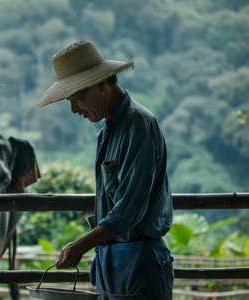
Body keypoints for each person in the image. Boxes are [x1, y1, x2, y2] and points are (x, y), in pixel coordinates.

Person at [38, 40, 174, 299]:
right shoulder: (108, 128)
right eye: (70, 99)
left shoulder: (139, 125)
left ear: (102, 83)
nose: (74, 109)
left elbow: (129, 209)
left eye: (77, 97)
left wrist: (81, 245)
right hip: (111, 257)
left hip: (139, 259)